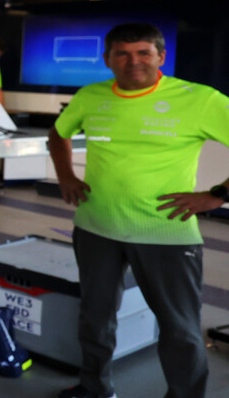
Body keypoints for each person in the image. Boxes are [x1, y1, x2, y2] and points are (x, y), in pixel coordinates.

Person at [48, 22, 229, 398]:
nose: (134, 62)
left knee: (179, 328)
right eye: (123, 54)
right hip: (96, 227)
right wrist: (65, 175)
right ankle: (94, 387)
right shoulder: (90, 96)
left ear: (161, 56)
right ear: (108, 60)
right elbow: (59, 134)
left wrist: (216, 195)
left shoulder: (200, 99)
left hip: (166, 233)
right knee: (95, 318)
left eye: (144, 53)